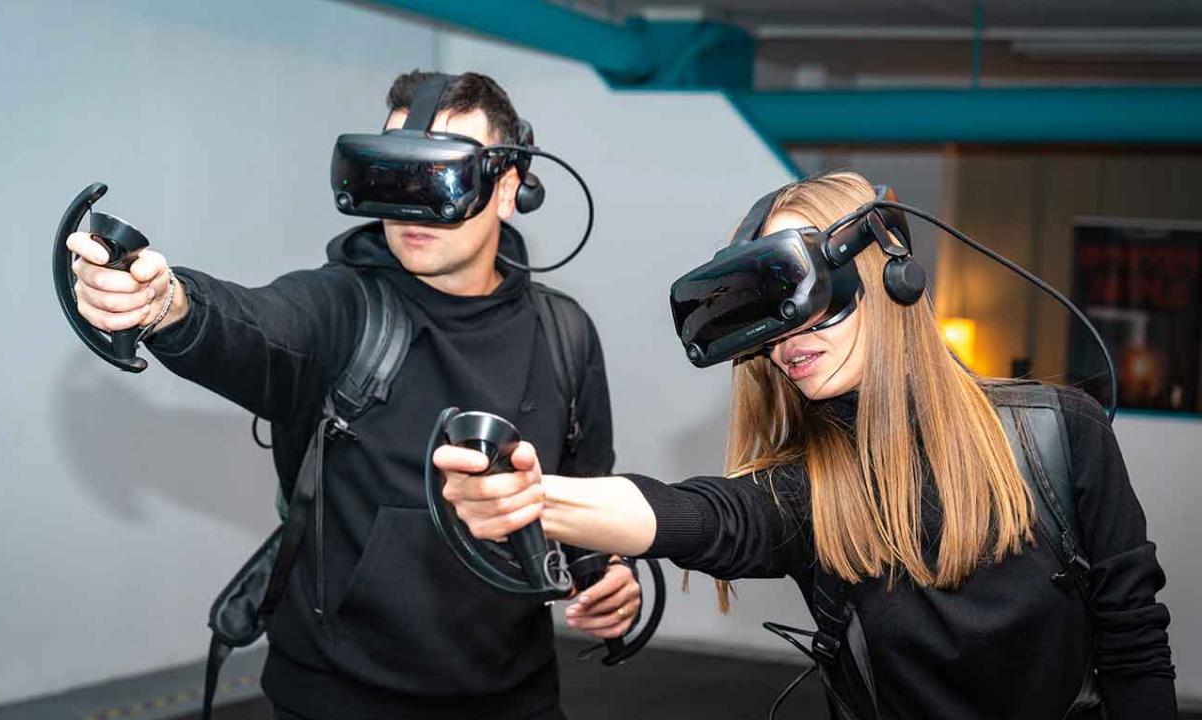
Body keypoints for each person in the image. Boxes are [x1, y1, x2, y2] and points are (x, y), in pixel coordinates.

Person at [434, 172, 1177, 719]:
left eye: (805, 295)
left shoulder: (1059, 434)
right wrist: (535, 498)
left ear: (883, 277)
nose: (789, 337)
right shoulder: (813, 490)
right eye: (770, 317)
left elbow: (1134, 643)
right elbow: (699, 516)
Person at [67, 70, 641, 720]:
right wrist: (166, 302)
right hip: (336, 699)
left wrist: (606, 574)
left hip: (518, 697)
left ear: (507, 188)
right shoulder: (343, 307)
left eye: (442, 175)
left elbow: (584, 491)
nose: (411, 204)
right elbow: (258, 325)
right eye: (395, 174)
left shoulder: (564, 332)